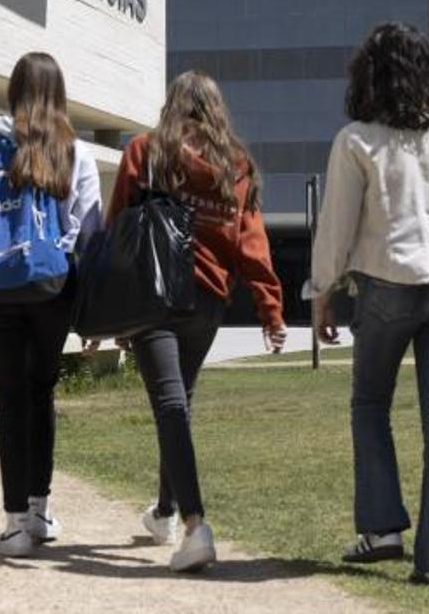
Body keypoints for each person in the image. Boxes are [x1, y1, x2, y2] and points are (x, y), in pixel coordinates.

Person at [310, 22, 429, 588]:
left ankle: (382, 530)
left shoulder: (357, 139)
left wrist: (322, 292)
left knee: (369, 403)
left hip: (387, 282)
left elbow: (337, 228)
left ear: (369, 74)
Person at [104, 71, 287, 573]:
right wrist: (271, 307)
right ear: (216, 110)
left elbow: (118, 224)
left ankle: (194, 525)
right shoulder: (236, 165)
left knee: (170, 405)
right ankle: (164, 512)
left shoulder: (146, 151)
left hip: (154, 298)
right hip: (208, 301)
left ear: (173, 105)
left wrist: (110, 303)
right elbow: (252, 245)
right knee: (177, 405)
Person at [0, 51, 102, 557]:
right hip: (51, 290)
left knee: (9, 401)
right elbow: (88, 232)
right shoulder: (76, 153)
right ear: (60, 94)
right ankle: (39, 510)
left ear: (13, 91)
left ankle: (14, 525)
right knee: (41, 393)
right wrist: (83, 298)